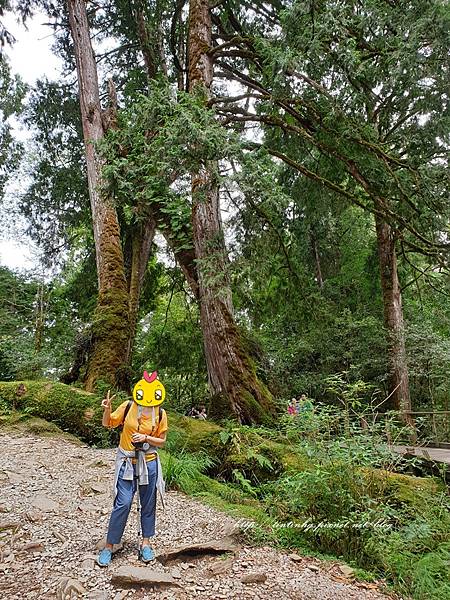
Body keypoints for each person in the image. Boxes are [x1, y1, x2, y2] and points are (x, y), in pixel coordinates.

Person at [97, 370, 168, 567]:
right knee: (123, 502)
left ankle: (146, 543)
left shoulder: (160, 413)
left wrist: (146, 438)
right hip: (127, 462)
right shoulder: (129, 406)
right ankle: (109, 545)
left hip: (150, 461)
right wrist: (107, 408)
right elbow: (108, 423)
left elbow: (162, 441)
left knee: (148, 503)